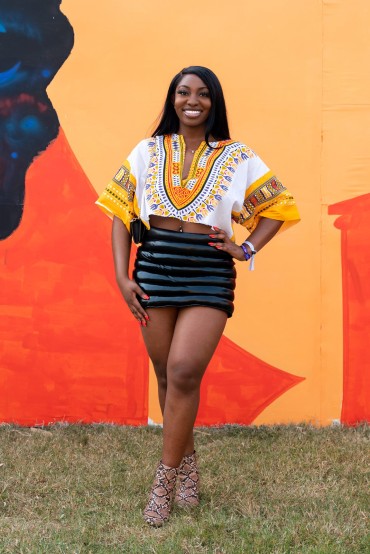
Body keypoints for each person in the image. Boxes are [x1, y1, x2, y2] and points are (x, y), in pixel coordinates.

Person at [96, 66, 300, 527]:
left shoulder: (237, 155)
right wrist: (121, 276)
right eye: (184, 92)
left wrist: (245, 246)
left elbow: (279, 206)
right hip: (154, 267)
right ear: (173, 99)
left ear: (214, 101)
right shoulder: (149, 151)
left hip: (208, 272)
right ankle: (188, 469)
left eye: (203, 94)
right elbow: (118, 212)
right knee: (167, 378)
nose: (193, 100)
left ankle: (164, 481)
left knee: (185, 371)